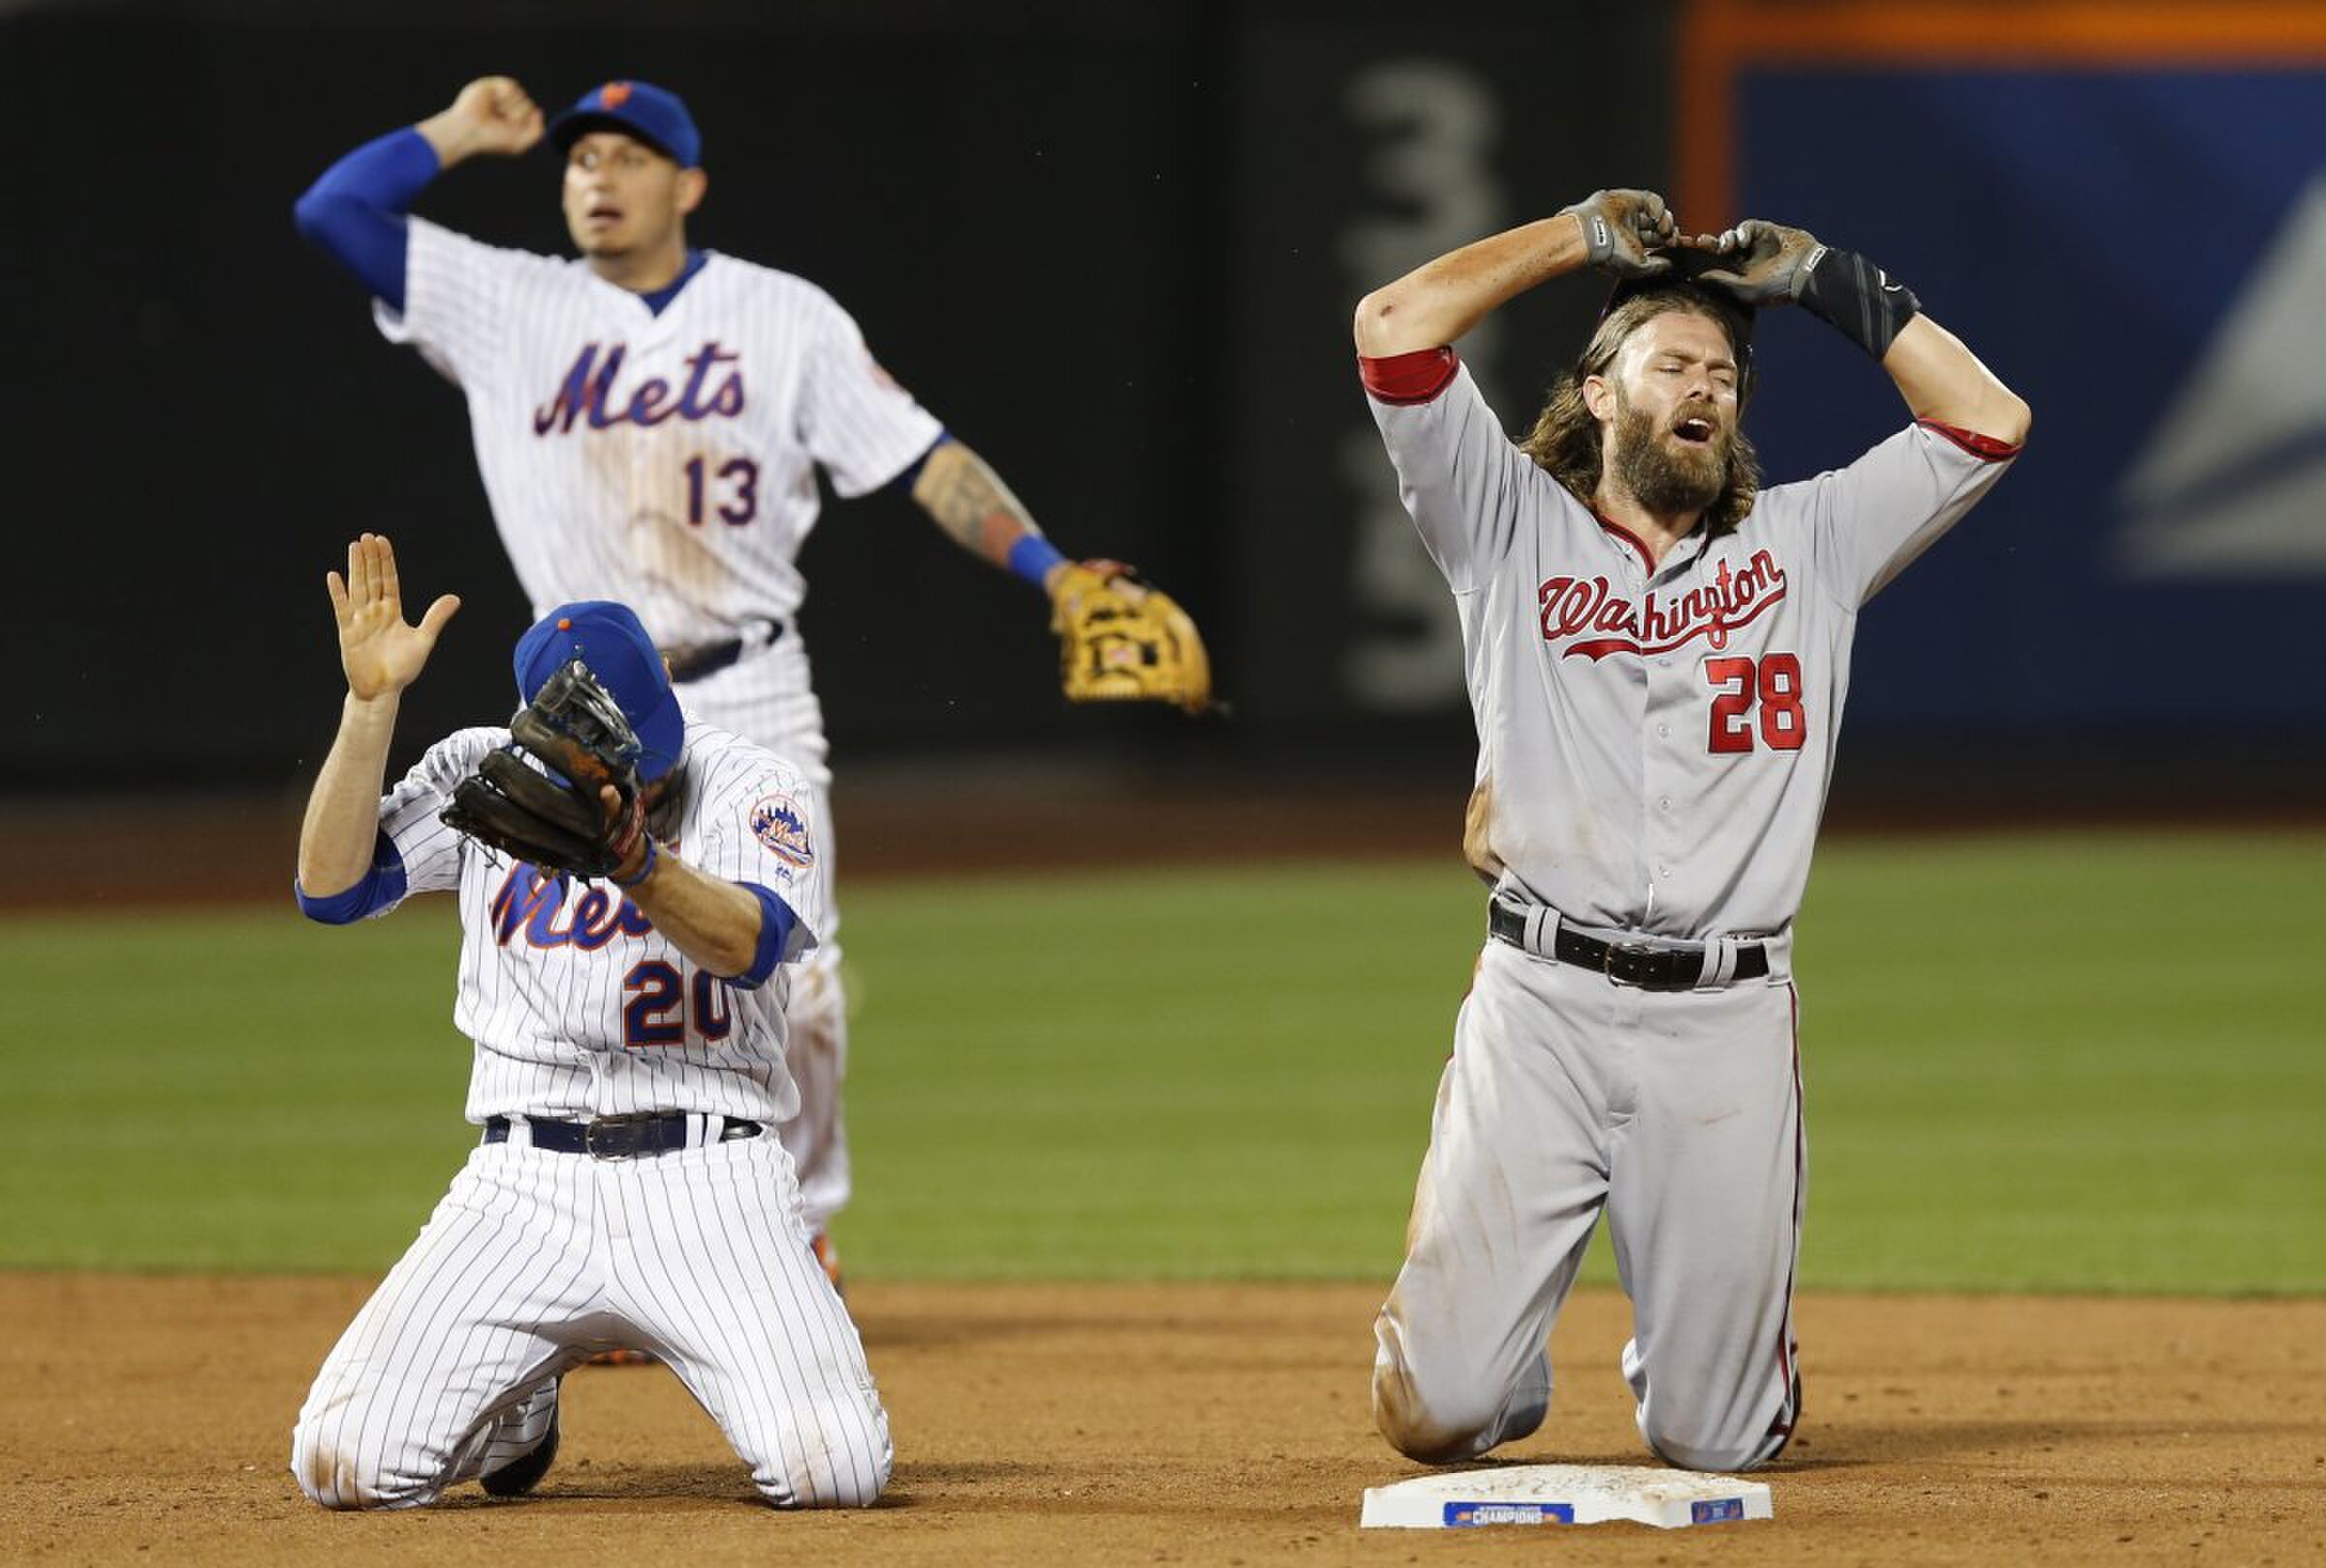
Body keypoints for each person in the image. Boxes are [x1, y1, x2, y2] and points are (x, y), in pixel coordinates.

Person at [293, 76, 1172, 1282]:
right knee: (561, 964)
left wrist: (1054, 571)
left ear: (689, 184)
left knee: (792, 975)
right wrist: (456, 133)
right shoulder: (509, 302)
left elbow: (923, 459)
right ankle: (567, 1228)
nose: (597, 174)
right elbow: (334, 212)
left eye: (630, 156)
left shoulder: (784, 316)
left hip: (747, 682)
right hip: (576, 702)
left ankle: (790, 1231)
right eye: (579, 156)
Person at [1352, 190, 2029, 1471]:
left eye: (1723, 370)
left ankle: (1709, 1366)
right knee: (1434, 1411)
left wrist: (1834, 280)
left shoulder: (1810, 544)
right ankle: (1495, 1365)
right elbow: (1391, 326)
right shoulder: (1505, 524)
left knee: (1719, 1441)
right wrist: (1570, 239)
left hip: (1723, 1020)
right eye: (1673, 361)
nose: (1705, 385)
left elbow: (1989, 422)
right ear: (1601, 392)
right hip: (1543, 999)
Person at [288, 532, 889, 1509]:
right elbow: (329, 888)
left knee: (836, 1471)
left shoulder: (750, 787)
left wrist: (640, 864)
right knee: (342, 1467)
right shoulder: (481, 775)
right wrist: (370, 708)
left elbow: (753, 945)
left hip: (710, 1181)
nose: (642, 779)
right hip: (521, 1187)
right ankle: (519, 1392)